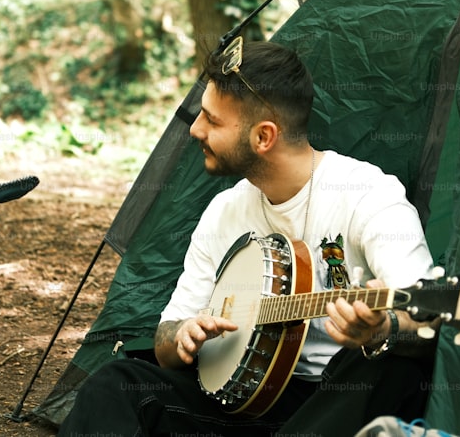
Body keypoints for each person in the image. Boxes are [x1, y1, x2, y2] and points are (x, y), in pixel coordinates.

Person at [59, 38, 438, 437]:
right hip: (243, 401)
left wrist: (381, 329)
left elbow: (424, 313)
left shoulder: (367, 194)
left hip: (333, 400)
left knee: (386, 365)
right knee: (119, 383)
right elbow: (165, 339)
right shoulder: (225, 211)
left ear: (263, 137)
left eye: (212, 120)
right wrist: (182, 336)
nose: (195, 129)